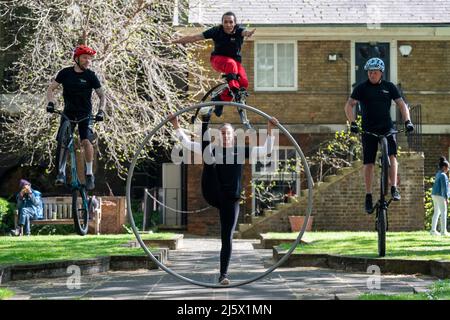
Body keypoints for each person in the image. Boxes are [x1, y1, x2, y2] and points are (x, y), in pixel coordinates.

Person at [169, 109, 277, 285]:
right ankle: (205, 120)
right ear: (218, 136)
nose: (225, 136)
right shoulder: (211, 148)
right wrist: (176, 125)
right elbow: (187, 143)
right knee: (207, 154)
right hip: (212, 191)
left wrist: (270, 128)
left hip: (230, 199)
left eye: (228, 133)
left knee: (227, 237)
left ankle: (223, 275)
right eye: (222, 133)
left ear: (233, 136)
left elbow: (266, 150)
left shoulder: (241, 150)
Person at [344, 57, 414, 213]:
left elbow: (402, 104)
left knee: (392, 156)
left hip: (387, 127)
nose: (372, 75)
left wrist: (408, 121)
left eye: (375, 72)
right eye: (369, 72)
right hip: (369, 129)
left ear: (381, 73)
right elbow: (349, 104)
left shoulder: (389, 87)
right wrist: (353, 122)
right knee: (368, 163)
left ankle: (394, 187)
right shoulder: (361, 88)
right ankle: (368, 195)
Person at [172, 11, 255, 119]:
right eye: (226, 22)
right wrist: (174, 41)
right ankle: (234, 89)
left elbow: (245, 32)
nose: (228, 25)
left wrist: (248, 33)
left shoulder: (239, 31)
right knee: (231, 64)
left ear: (235, 23)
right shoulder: (216, 31)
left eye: (231, 22)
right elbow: (195, 38)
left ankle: (219, 100)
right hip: (218, 60)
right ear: (222, 23)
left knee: (243, 82)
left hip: (235, 63)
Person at [46, 44, 106, 190]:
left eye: (90, 58)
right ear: (77, 58)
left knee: (86, 141)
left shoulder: (90, 76)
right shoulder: (65, 73)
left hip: (85, 114)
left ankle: (90, 174)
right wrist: (51, 102)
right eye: (85, 58)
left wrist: (101, 111)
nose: (88, 61)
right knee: (63, 140)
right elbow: (50, 89)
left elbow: (102, 95)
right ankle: (60, 173)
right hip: (68, 112)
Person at [430, 156, 449, 236]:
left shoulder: (438, 173)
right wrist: (446, 198)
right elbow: (444, 188)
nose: (448, 169)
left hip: (434, 194)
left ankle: (433, 230)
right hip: (440, 195)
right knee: (443, 212)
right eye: (448, 168)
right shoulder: (443, 175)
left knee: (436, 212)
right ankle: (443, 231)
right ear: (444, 167)